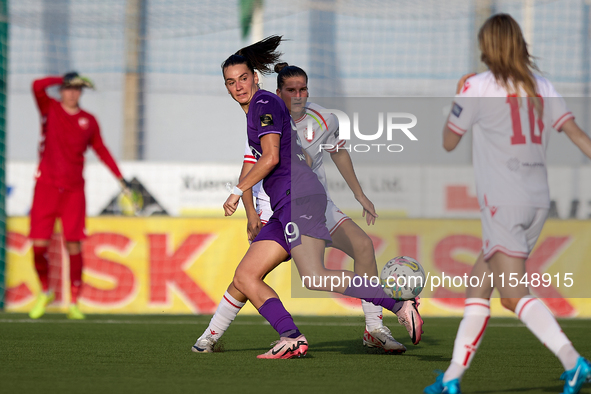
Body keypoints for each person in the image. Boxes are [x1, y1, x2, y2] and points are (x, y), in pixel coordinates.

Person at [194, 35, 422, 359]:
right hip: (284, 205)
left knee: (315, 276)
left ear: (255, 78)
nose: (238, 86)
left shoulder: (264, 104)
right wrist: (249, 207)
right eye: (231, 82)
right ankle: (289, 337)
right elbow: (269, 157)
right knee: (245, 276)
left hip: (299, 199)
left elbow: (270, 158)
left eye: (243, 78)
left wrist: (236, 191)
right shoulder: (257, 113)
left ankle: (397, 304)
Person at [424, 14, 591, 394]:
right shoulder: (542, 86)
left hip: (503, 201)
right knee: (478, 288)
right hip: (536, 202)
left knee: (513, 295)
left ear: (487, 47)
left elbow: (450, 141)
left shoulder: (478, 86)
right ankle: (450, 379)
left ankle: (573, 361)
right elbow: (577, 134)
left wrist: (458, 95)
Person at [28, 72, 130, 320]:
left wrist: (120, 177)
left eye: (77, 89)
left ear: (81, 93)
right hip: (46, 188)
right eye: (68, 88)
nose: (72, 93)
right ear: (61, 90)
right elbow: (36, 86)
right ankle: (46, 290)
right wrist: (62, 76)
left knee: (73, 244)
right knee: (38, 245)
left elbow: (101, 149)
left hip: (74, 191)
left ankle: (74, 301)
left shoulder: (89, 120)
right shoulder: (49, 109)